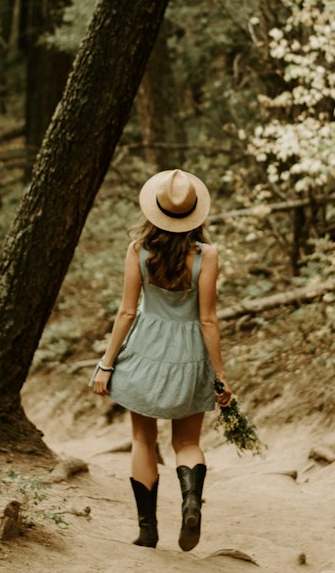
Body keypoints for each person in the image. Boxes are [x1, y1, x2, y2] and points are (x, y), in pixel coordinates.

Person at [92, 167, 233, 552]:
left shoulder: (139, 251)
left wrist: (106, 363)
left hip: (146, 353)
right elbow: (207, 319)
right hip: (189, 355)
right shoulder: (208, 256)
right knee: (187, 442)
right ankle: (191, 504)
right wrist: (220, 376)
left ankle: (147, 530)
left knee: (143, 438)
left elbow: (126, 312)